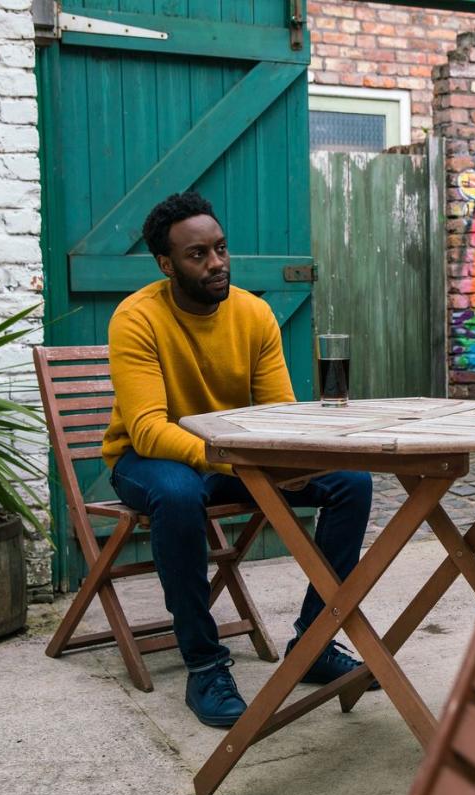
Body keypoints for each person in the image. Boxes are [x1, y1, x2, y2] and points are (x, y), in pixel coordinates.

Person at [102, 191, 375, 728]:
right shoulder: (136, 319)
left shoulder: (254, 314)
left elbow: (275, 415)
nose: (217, 263)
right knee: (178, 494)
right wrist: (233, 460)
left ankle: (316, 641)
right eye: (197, 254)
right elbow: (148, 430)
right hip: (148, 460)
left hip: (233, 460)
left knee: (351, 481)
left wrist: (280, 455)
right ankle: (205, 664)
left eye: (221, 248)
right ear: (166, 264)